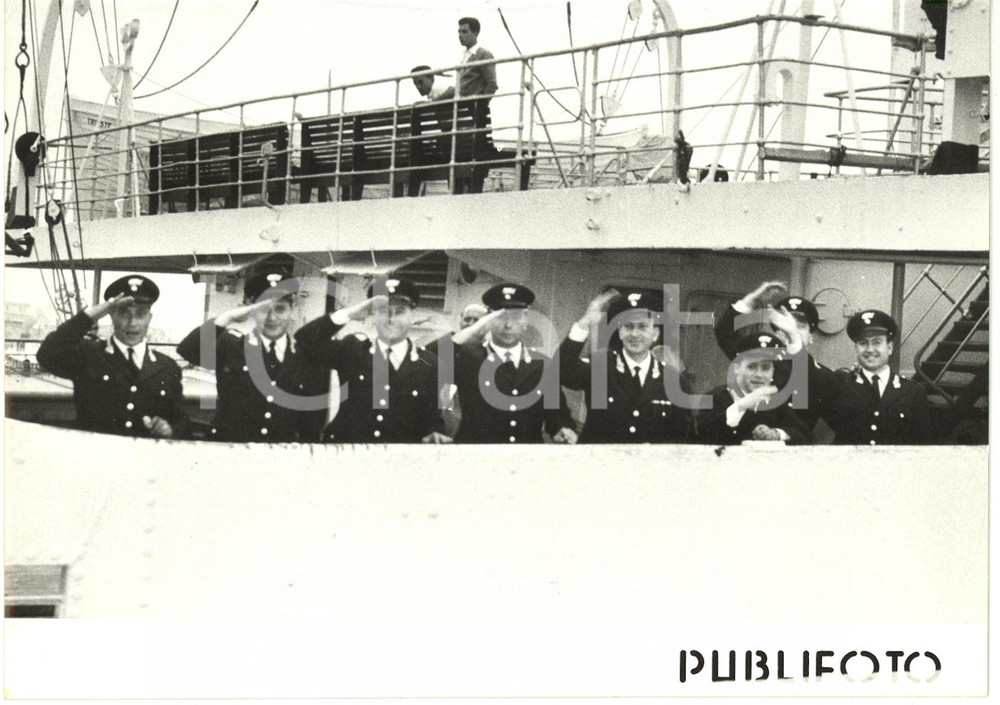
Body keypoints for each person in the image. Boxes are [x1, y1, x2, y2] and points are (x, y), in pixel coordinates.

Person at [176, 268, 326, 443]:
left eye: (280, 309)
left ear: (292, 309)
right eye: (263, 309)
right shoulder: (230, 346)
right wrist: (227, 318)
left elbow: (312, 422)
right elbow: (188, 350)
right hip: (231, 453)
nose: (272, 318)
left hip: (279, 458)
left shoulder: (306, 358)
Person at [295, 276, 450, 444]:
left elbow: (432, 418)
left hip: (397, 460)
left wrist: (434, 433)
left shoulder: (431, 364)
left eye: (400, 311)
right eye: (383, 311)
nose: (391, 318)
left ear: (412, 316)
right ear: (372, 316)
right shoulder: (352, 350)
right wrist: (349, 314)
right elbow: (304, 340)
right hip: (350, 456)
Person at [36, 274, 186, 439]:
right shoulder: (87, 355)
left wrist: (170, 429)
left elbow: (182, 421)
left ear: (149, 319)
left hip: (144, 461)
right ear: (111, 315)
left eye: (141, 314)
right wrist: (92, 315)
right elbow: (46, 354)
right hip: (96, 459)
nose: (132, 322)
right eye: (124, 313)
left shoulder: (168, 368)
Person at [438, 282, 577, 444]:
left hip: (525, 458)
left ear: (526, 322)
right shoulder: (467, 358)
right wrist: (477, 327)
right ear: (489, 320)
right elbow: (431, 358)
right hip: (477, 458)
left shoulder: (543, 365)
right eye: (501, 317)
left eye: (515, 317)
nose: (508, 325)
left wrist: (562, 429)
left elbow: (557, 416)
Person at [558, 289, 693, 443]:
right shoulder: (599, 367)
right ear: (620, 332)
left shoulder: (674, 381)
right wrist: (585, 321)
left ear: (655, 334)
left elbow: (681, 436)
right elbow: (560, 372)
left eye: (642, 327)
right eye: (628, 327)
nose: (634, 334)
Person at [713, 280, 837, 430]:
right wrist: (751, 300)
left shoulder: (824, 378)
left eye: (800, 327)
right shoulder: (760, 362)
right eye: (783, 324)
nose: (789, 330)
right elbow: (724, 332)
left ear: (811, 337)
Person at [824, 309, 932, 445]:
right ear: (856, 349)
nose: (870, 349)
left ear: (890, 347)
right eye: (863, 343)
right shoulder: (840, 385)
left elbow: (923, 446)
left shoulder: (914, 392)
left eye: (876, 342)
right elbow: (800, 403)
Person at [698, 331, 811, 445]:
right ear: (736, 368)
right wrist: (740, 407)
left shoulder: (774, 402)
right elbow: (701, 436)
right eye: (751, 367)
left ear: (773, 371)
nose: (759, 374)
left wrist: (775, 434)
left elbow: (804, 434)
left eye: (765, 368)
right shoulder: (714, 398)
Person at [455, 16, 499, 194]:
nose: (460, 35)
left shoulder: (483, 55)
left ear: (475, 32)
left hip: (473, 113)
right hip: (461, 115)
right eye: (459, 31)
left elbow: (491, 84)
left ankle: (472, 190)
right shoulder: (464, 56)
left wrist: (479, 106)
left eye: (464, 31)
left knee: (473, 153)